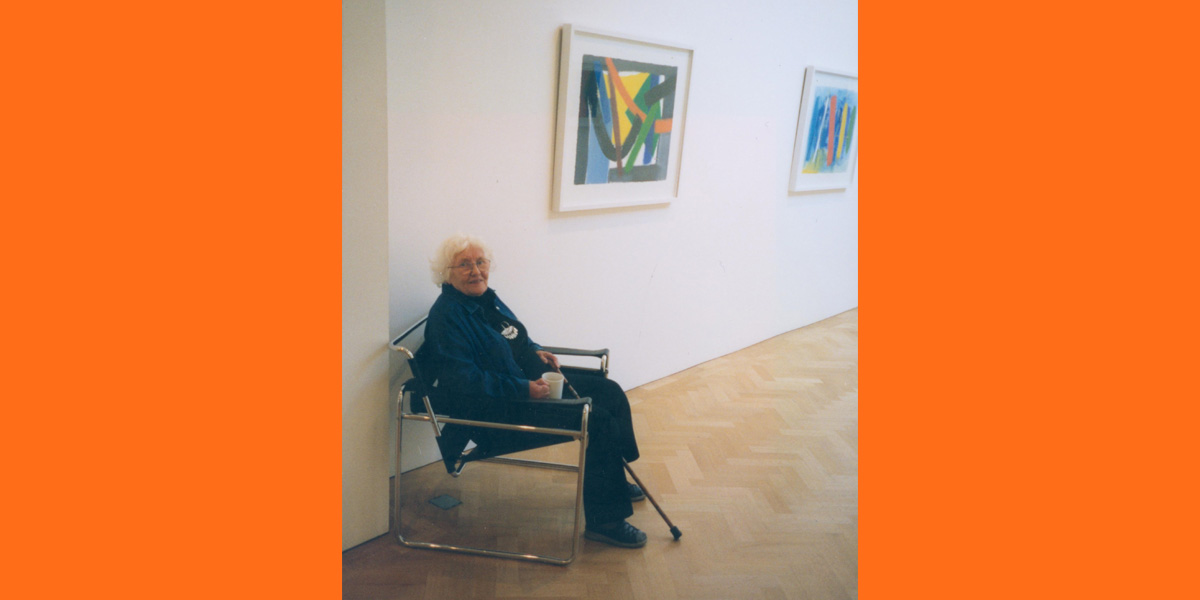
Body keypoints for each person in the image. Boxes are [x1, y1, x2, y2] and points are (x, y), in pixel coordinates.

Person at [416, 233, 648, 548]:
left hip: (526, 383)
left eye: (480, 262)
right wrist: (524, 388)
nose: (476, 270)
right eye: (464, 265)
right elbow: (464, 380)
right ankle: (605, 520)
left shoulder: (485, 297)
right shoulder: (447, 316)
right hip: (503, 406)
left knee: (609, 391)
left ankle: (614, 478)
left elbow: (514, 337)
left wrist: (536, 350)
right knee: (598, 420)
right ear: (447, 273)